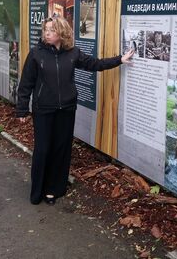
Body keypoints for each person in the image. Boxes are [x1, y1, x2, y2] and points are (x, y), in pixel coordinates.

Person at [16, 17, 134, 205]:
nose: (47, 33)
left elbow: (95, 64)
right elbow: (26, 84)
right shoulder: (36, 54)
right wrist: (22, 109)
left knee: (61, 149)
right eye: (45, 29)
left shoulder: (73, 53)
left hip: (66, 109)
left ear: (62, 33)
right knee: (42, 149)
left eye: (52, 30)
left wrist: (120, 59)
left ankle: (54, 189)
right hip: (43, 110)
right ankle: (37, 190)